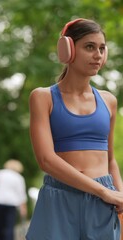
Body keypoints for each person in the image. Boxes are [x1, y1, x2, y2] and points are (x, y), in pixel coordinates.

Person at [26, 18, 123, 240]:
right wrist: (103, 192)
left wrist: (119, 196)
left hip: (104, 203)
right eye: (89, 47)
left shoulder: (109, 101)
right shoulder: (43, 97)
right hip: (60, 200)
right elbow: (46, 160)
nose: (98, 54)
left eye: (101, 48)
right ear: (67, 50)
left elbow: (110, 160)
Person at [0, 159, 27, 240]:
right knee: (9, 226)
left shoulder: (0, 173)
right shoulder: (19, 178)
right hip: (11, 204)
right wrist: (23, 209)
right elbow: (21, 195)